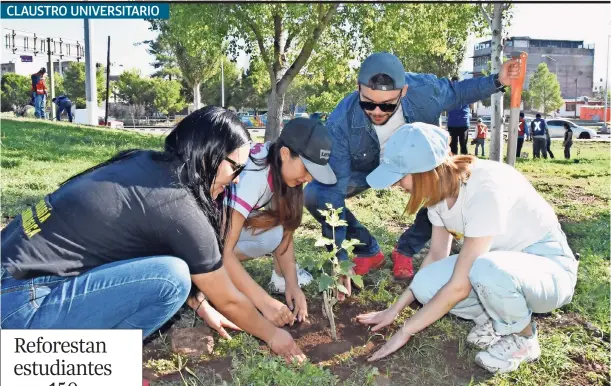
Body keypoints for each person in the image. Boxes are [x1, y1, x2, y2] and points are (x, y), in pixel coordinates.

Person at [1, 106, 305, 363]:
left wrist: (199, 303)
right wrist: (273, 336)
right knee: (171, 278)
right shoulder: (178, 204)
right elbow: (229, 300)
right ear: (209, 154)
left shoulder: (147, 167)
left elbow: (144, 248)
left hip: (16, 284)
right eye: (235, 169)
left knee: (172, 271)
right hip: (20, 313)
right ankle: (67, 365)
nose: (235, 180)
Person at [358, 123, 578, 374]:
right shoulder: (438, 194)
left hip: (547, 269)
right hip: (499, 264)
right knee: (427, 284)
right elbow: (437, 256)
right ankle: (495, 320)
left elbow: (461, 285)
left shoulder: (485, 189)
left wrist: (405, 331)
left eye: (400, 176)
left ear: (427, 171)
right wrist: (394, 310)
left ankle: (524, 339)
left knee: (484, 270)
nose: (395, 184)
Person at [303, 52, 521, 286]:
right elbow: (334, 192)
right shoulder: (341, 120)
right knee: (317, 195)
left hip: (415, 161)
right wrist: (340, 260)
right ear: (358, 88)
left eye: (387, 105)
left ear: (404, 91)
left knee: (439, 188)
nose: (377, 111)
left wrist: (497, 80)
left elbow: (458, 93)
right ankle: (368, 250)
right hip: (366, 168)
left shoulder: (425, 91)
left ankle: (406, 250)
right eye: (368, 102)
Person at [207, 118, 336, 328]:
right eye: (307, 168)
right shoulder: (253, 177)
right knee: (227, 252)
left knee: (273, 233)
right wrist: (264, 303)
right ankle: (203, 275)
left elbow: (286, 232)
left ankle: (273, 278)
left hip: (219, 225)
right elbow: (223, 251)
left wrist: (292, 285)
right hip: (196, 234)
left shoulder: (280, 165)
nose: (310, 178)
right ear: (285, 154)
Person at [446, 76, 471, 155]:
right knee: (463, 145)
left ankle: (453, 164)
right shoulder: (465, 92)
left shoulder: (448, 93)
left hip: (452, 123)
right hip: (463, 123)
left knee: (453, 146)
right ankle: (464, 165)